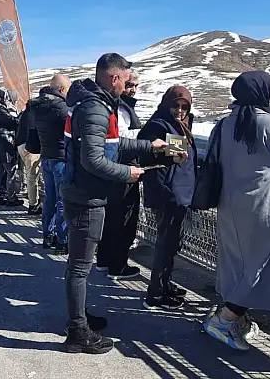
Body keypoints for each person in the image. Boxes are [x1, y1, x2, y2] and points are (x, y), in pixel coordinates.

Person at [60, 53, 171, 354]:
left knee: (80, 265)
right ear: (114, 78)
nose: (127, 86)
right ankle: (77, 332)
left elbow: (113, 144)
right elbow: (94, 159)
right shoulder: (96, 109)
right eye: (126, 79)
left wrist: (150, 145)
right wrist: (128, 173)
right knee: (80, 267)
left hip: (81, 192)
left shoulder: (92, 104)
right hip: (86, 197)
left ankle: (78, 318)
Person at [202, 71, 270, 351]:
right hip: (261, 207)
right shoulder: (266, 123)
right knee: (260, 265)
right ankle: (225, 321)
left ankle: (235, 316)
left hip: (229, 204)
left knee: (236, 262)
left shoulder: (225, 123)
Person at [138, 85, 197, 309]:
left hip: (179, 193)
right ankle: (155, 294)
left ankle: (164, 285)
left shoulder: (180, 126)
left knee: (172, 244)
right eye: (175, 105)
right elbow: (147, 151)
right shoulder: (157, 125)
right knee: (166, 244)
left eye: (185, 106)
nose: (180, 110)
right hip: (168, 194)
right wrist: (168, 155)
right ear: (166, 104)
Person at [96, 71, 143, 279]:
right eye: (129, 84)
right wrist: (146, 139)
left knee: (112, 217)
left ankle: (105, 260)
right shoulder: (119, 108)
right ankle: (117, 265)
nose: (132, 89)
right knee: (123, 218)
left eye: (135, 86)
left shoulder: (115, 105)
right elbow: (120, 139)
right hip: (124, 169)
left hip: (115, 169)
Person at [32, 74, 71, 253]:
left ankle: (47, 235)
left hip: (46, 156)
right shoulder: (62, 108)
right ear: (62, 90)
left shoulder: (38, 106)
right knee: (62, 200)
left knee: (49, 199)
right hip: (61, 158)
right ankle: (62, 240)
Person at [0, 88, 21, 206]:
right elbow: (11, 121)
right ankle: (10, 197)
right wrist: (20, 118)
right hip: (5, 141)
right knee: (10, 170)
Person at [16, 91, 43, 216]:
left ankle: (34, 200)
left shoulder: (25, 112)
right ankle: (33, 205)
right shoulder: (35, 113)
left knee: (31, 176)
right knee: (33, 176)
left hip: (21, 145)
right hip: (30, 147)